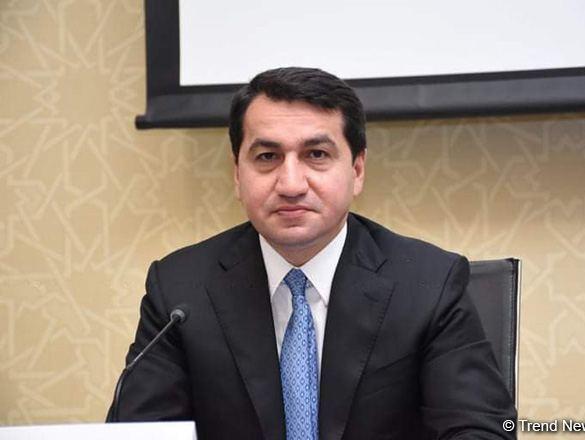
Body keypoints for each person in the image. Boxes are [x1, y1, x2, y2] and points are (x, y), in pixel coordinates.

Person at [108, 67, 517, 439]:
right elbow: (138, 433)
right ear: (237, 174)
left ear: (357, 170)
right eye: (267, 157)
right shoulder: (180, 290)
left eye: (316, 155)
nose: (291, 184)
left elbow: (481, 431)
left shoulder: (429, 284)